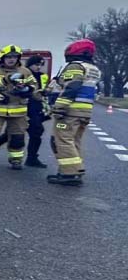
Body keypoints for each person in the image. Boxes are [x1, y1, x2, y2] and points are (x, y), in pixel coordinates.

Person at [46, 39, 103, 186]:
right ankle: (73, 171)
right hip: (84, 112)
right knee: (73, 141)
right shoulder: (93, 68)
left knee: (62, 141)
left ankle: (70, 173)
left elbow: (72, 87)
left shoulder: (75, 66)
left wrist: (59, 107)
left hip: (70, 111)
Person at [23, 55, 50, 168]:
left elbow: (44, 90)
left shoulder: (42, 76)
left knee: (37, 132)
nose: (38, 67)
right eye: (36, 65)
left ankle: (32, 158)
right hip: (25, 107)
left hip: (37, 108)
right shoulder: (24, 74)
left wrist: (47, 90)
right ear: (30, 64)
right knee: (11, 134)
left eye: (40, 65)